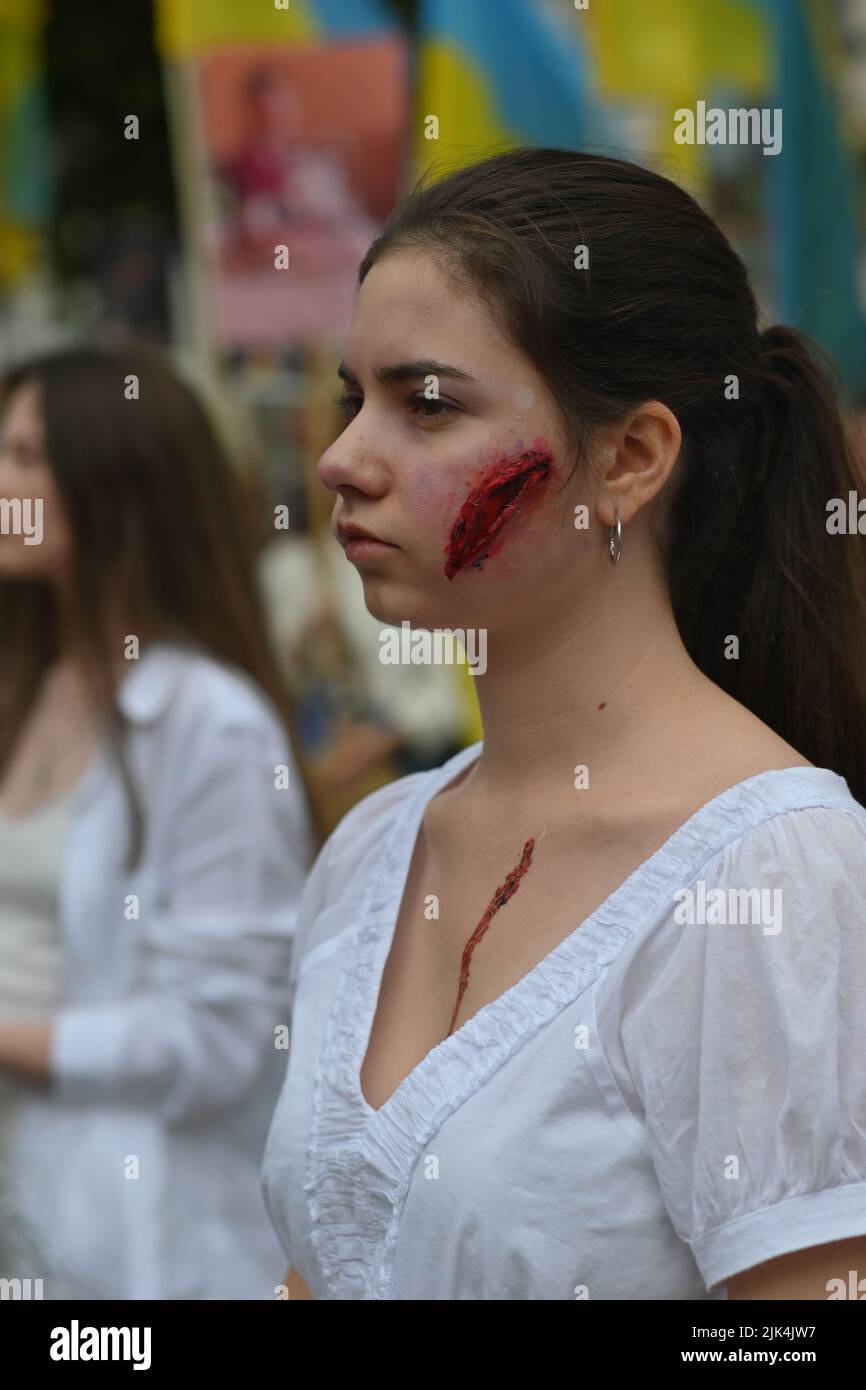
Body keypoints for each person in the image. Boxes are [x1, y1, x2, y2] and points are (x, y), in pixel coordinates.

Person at [261, 147, 866, 1301]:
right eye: (354, 400)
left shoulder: (770, 877)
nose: (342, 458)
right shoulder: (374, 849)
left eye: (425, 404)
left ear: (630, 459)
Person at [0, 343, 317, 1299]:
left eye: (24, 456)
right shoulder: (30, 679)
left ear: (117, 486)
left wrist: (8, 1038)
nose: (0, 480)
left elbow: (220, 1039)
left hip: (141, 1247)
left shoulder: (210, 724)